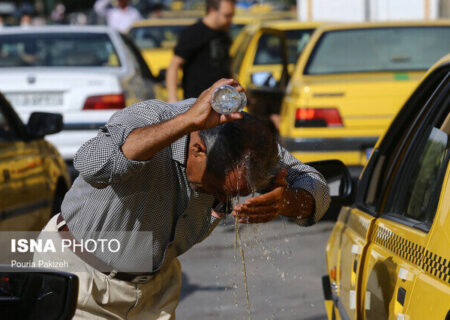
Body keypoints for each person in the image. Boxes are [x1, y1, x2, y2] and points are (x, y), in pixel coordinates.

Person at [33, 78, 330, 319]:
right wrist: (186, 121)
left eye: (237, 194)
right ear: (198, 149)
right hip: (79, 282)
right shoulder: (152, 118)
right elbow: (92, 163)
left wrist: (287, 202)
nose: (224, 202)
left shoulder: (246, 141)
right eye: (216, 190)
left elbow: (316, 185)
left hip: (155, 291)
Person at [166, 0, 235, 102]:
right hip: (196, 102)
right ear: (212, 11)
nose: (230, 20)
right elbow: (174, 65)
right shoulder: (194, 33)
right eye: (227, 15)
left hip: (221, 102)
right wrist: (172, 97)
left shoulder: (224, 35)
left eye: (232, 15)